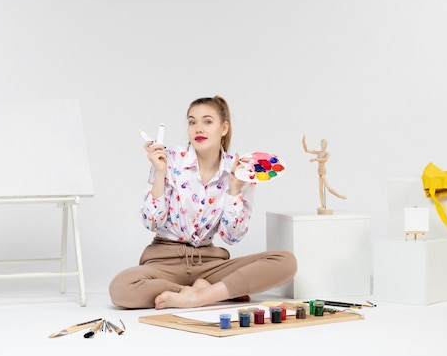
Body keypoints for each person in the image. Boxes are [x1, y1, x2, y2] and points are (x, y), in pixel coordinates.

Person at [109, 96, 297, 310]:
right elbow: (151, 222)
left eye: (207, 121)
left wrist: (234, 187)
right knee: (121, 287)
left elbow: (232, 237)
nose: (198, 128)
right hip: (164, 262)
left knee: (285, 261)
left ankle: (197, 297)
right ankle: (208, 292)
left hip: (209, 264)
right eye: (192, 122)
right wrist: (160, 173)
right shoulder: (168, 159)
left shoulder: (239, 169)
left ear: (224, 128)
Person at [302, 135, 347, 214]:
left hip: (323, 172)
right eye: (321, 143)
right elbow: (307, 150)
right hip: (319, 172)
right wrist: (303, 142)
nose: (322, 145)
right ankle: (323, 205)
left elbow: (325, 159)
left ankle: (340, 196)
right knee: (320, 190)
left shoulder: (327, 154)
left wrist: (316, 159)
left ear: (326, 145)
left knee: (329, 188)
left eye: (324, 144)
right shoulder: (318, 152)